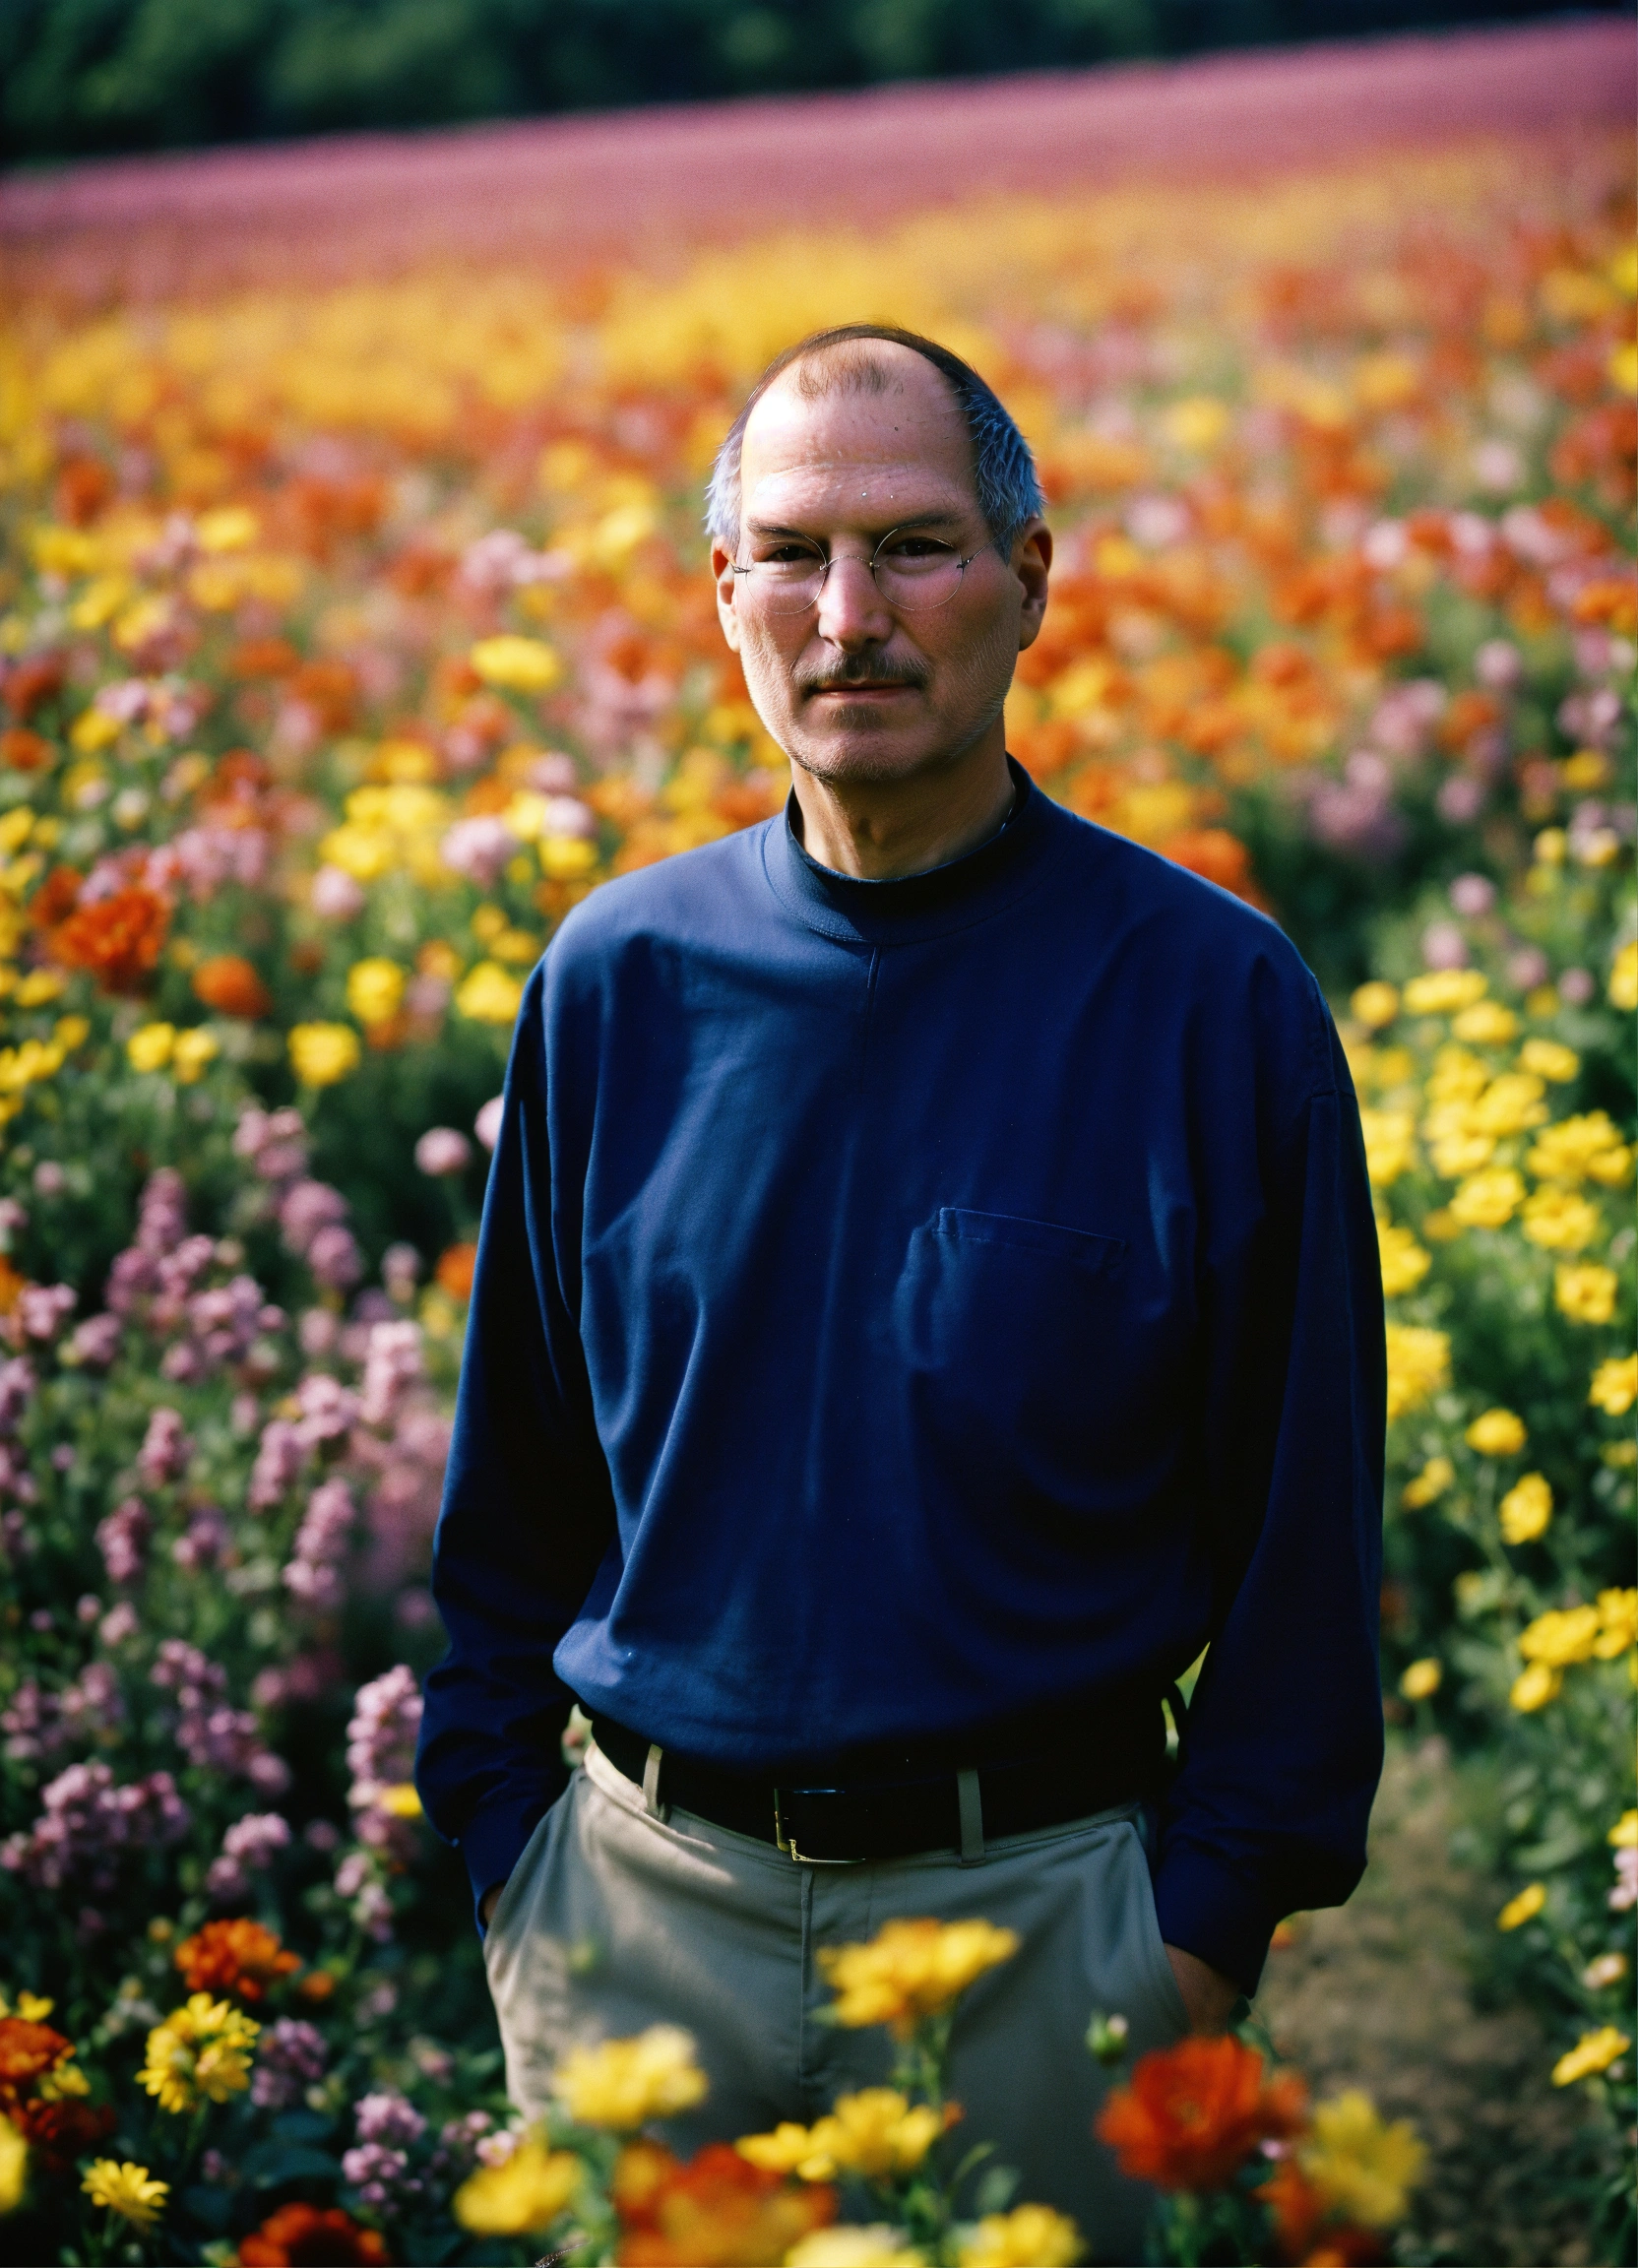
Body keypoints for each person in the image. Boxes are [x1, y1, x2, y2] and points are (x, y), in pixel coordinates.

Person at [416, 323, 1385, 2251]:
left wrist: (1190, 1949)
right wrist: (514, 1866)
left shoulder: (1211, 1004)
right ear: (722, 595)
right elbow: (509, 1498)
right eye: (789, 552)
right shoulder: (612, 984)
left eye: (915, 547)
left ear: (1029, 582)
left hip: (1041, 1929)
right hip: (635, 1933)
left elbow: (1301, 1548)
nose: (847, 613)